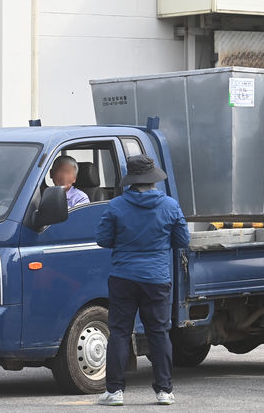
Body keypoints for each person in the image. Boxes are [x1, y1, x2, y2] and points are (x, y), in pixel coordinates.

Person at [95, 155, 190, 406]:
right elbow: (183, 240)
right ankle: (164, 391)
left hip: (124, 276)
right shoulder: (170, 205)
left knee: (119, 332)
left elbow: (103, 239)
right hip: (157, 278)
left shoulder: (116, 206)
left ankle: (114, 392)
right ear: (153, 179)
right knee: (159, 332)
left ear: (132, 180)